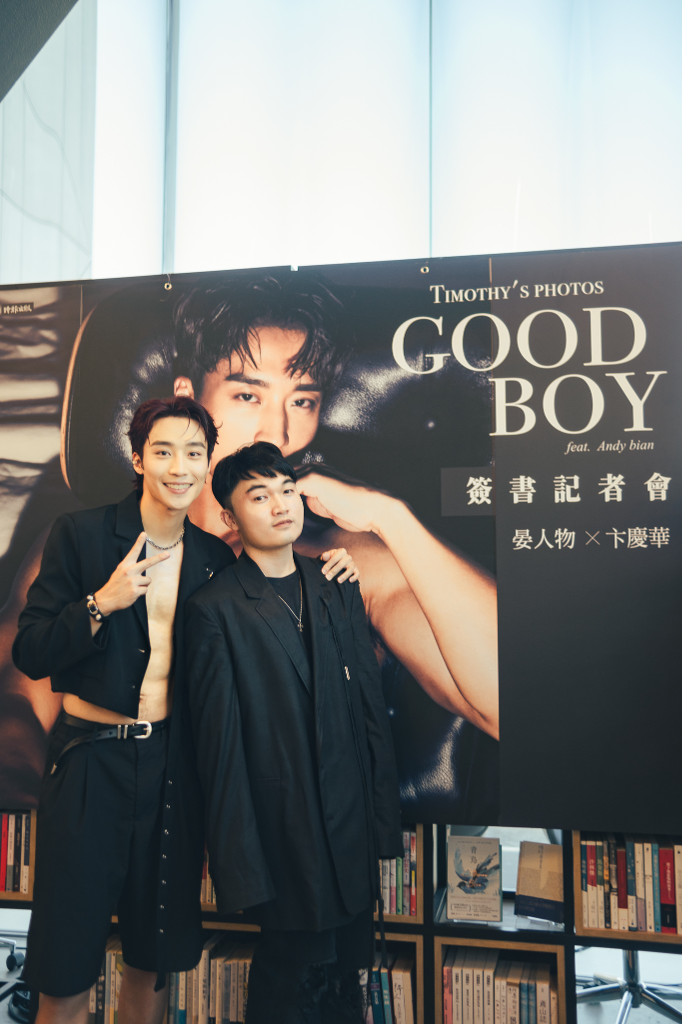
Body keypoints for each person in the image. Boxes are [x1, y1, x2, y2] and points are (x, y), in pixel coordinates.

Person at [11, 395, 359, 1024]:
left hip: (174, 769)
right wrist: (102, 602)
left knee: (156, 960)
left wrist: (332, 565)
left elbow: (273, 591)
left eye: (194, 453)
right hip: (90, 761)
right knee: (65, 964)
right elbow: (30, 651)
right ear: (137, 459)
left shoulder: (213, 558)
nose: (180, 467)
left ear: (206, 465)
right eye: (164, 452)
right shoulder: (81, 535)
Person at [172, 276, 499, 751]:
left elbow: (508, 706)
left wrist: (389, 515)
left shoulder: (339, 559)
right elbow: (44, 710)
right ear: (187, 399)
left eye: (301, 401)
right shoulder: (107, 544)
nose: (276, 433)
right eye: (248, 396)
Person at [184, 441, 403, 1024]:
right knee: (289, 982)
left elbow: (368, 709)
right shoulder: (215, 608)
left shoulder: (335, 582)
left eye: (287, 490)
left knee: (346, 981)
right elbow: (219, 750)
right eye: (259, 496)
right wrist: (240, 867)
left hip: (348, 827)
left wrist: (382, 827)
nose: (281, 505)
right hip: (282, 832)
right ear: (230, 517)